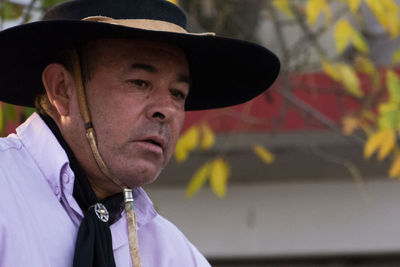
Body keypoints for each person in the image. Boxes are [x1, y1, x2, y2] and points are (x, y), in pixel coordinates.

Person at [0, 0, 280, 266]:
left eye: (177, 93)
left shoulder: (173, 256)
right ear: (62, 88)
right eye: (140, 82)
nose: (166, 110)